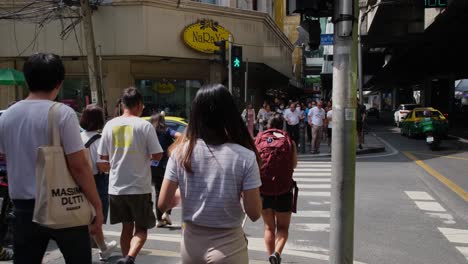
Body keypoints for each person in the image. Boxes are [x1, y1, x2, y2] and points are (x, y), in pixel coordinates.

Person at [0, 53, 103, 264]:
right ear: (59, 81)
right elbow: (79, 166)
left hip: (23, 208)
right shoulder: (62, 113)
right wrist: (97, 206)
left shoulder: (7, 115)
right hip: (65, 202)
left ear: (27, 80)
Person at [158, 84, 262, 264]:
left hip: (191, 247)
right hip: (229, 247)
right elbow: (254, 213)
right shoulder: (245, 156)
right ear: (230, 114)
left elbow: (162, 204)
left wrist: (186, 193)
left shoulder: (180, 153)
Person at [98, 87, 163, 264]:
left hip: (116, 187)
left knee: (126, 228)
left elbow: (102, 161)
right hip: (139, 187)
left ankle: (126, 261)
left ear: (123, 105)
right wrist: (145, 157)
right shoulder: (145, 125)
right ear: (139, 105)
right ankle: (130, 257)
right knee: (141, 229)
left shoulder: (109, 125)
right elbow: (157, 155)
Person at [256, 114, 297, 264]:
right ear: (282, 126)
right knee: (283, 229)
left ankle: (270, 257)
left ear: (268, 125)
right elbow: (293, 165)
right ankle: (277, 254)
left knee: (268, 228)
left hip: (263, 191)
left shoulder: (259, 140)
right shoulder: (289, 142)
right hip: (283, 191)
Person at [80, 105, 118, 261]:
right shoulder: (100, 140)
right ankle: (102, 249)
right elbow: (102, 165)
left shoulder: (77, 137)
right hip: (97, 181)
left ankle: (102, 247)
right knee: (97, 216)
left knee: (83, 215)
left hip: (78, 180)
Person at [149, 113, 182, 228]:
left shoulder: (149, 132)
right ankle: (165, 214)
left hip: (151, 166)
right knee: (170, 189)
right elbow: (181, 136)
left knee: (157, 191)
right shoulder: (167, 131)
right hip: (164, 166)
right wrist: (173, 146)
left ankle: (160, 218)